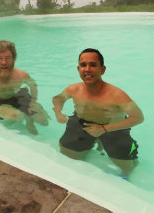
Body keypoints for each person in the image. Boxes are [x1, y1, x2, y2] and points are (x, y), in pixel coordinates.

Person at [52, 48, 144, 178]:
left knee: (129, 167)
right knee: (67, 155)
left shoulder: (117, 95)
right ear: (78, 69)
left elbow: (138, 117)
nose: (87, 69)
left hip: (113, 127)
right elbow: (58, 98)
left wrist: (104, 128)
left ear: (102, 69)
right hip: (82, 123)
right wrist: (58, 112)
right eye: (83, 65)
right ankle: (93, 143)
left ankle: (120, 148)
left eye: (93, 65)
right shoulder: (74, 89)